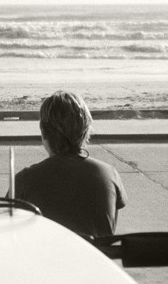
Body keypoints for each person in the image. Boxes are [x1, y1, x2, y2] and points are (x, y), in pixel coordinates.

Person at [12, 90, 126, 238]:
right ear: (86, 131)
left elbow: (13, 233)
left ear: (44, 133)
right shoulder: (108, 174)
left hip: (46, 259)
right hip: (94, 258)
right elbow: (109, 230)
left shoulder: (25, 180)